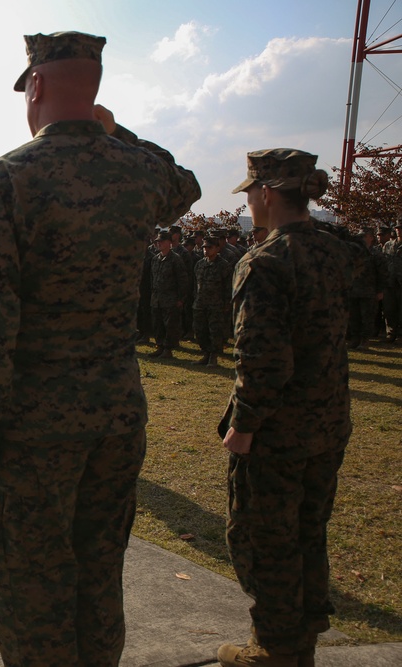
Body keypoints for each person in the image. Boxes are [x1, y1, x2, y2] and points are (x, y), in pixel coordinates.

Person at [0, 31, 200, 666]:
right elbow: (187, 186)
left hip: (34, 425)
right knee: (99, 572)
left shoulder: (7, 179)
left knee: (30, 585)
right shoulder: (139, 170)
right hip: (117, 413)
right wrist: (116, 133)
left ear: (35, 84)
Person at [217, 149, 356, 667]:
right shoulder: (335, 251)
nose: (249, 202)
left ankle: (273, 650)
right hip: (328, 422)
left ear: (268, 193)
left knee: (265, 540)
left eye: (251, 192)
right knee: (308, 531)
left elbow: (262, 358)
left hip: (278, 432)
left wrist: (244, 424)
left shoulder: (265, 261)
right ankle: (302, 646)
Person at [191, 235, 232, 366]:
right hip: (200, 304)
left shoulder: (224, 265)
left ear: (217, 248)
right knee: (200, 330)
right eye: (204, 247)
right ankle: (206, 354)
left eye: (209, 247)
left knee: (215, 331)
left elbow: (228, 287)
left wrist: (227, 304)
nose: (206, 250)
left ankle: (213, 356)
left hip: (216, 305)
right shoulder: (200, 264)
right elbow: (195, 284)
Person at [149, 228, 189, 359]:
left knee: (170, 326)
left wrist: (181, 299)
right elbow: (152, 279)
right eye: (157, 241)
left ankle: (168, 349)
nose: (158, 243)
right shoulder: (155, 259)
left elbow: (183, 280)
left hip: (170, 299)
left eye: (161, 241)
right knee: (158, 324)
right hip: (157, 299)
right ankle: (160, 346)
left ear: (169, 242)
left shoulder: (176, 259)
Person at [347, 228, 386, 350]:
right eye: (360, 236)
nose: (362, 239)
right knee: (354, 317)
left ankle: (365, 340)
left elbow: (382, 273)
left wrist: (380, 290)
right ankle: (355, 339)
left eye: (364, 236)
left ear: (371, 238)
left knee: (367, 317)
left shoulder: (375, 254)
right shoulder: (354, 253)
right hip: (354, 290)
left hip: (369, 291)